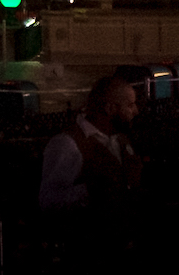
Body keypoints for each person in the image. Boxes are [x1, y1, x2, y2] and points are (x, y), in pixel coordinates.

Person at [40, 73, 142, 212]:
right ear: (110, 109)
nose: (136, 111)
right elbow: (48, 199)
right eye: (130, 105)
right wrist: (90, 189)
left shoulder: (120, 140)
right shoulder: (68, 144)